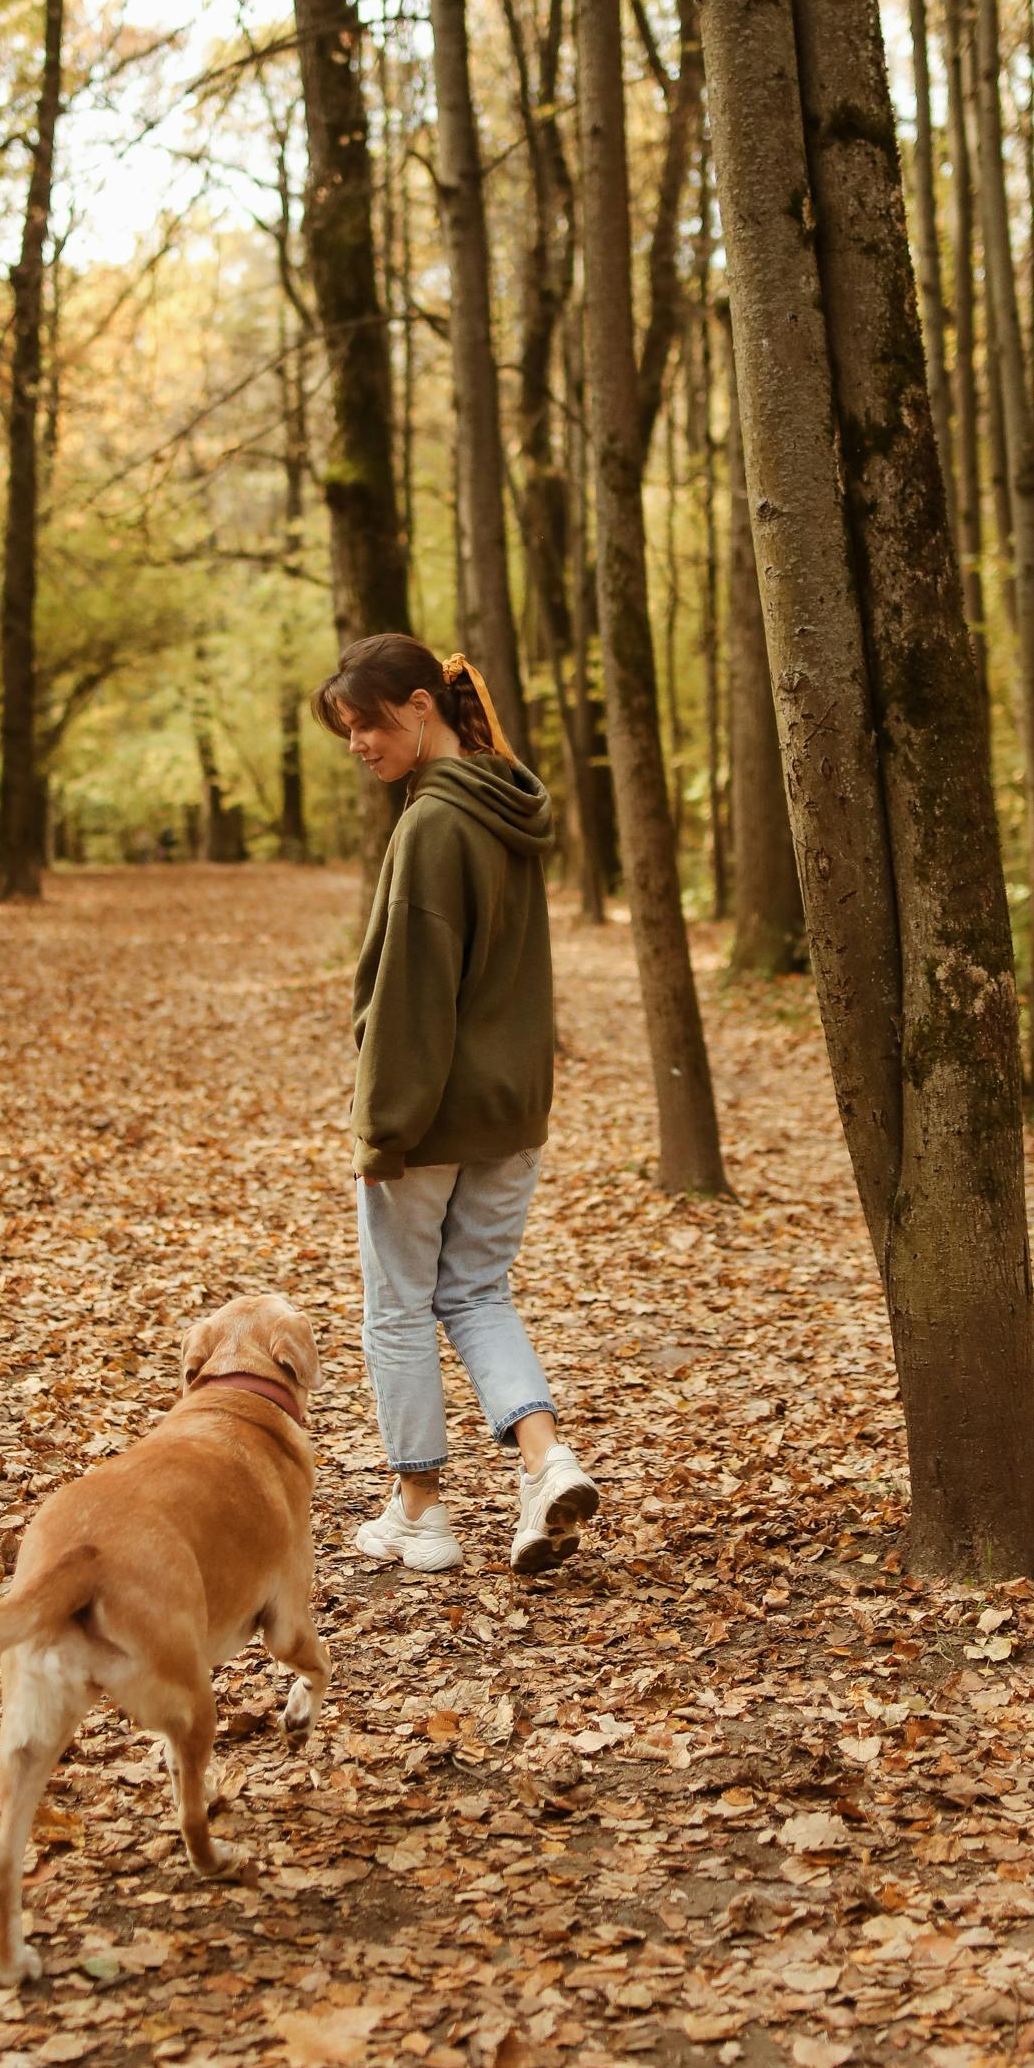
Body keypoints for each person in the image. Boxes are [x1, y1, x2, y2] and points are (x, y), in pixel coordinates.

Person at [311, 632, 600, 1577]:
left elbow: (412, 992)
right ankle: (546, 1460)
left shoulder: (432, 823)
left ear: (420, 706)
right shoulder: (507, 802)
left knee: (398, 1307)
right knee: (476, 1292)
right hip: (511, 1106)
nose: (357, 743)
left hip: (432, 1108)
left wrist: (381, 1128)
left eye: (365, 723)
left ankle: (420, 1514)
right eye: (347, 731)